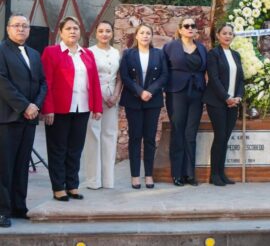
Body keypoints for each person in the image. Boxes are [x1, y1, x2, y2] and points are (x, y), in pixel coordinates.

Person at [41, 16, 103, 201]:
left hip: (82, 108)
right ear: (61, 31)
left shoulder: (87, 54)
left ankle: (72, 185)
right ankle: (58, 187)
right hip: (59, 109)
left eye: (75, 28)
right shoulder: (51, 52)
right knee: (58, 149)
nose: (73, 31)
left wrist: (97, 107)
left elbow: (94, 82)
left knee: (75, 149)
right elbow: (46, 82)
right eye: (68, 28)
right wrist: (48, 108)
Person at [0, 14, 47, 227]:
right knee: (4, 166)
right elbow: (2, 82)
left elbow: (42, 83)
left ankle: (19, 206)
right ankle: (2, 210)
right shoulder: (1, 50)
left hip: (29, 119)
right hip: (8, 118)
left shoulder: (34, 54)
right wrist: (24, 105)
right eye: (17, 25)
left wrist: (35, 105)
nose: (21, 29)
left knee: (21, 165)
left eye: (25, 26)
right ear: (8, 28)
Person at [119, 23, 168, 189]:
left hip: (152, 101)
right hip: (133, 100)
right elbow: (125, 76)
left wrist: (150, 91)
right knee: (135, 138)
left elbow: (164, 76)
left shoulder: (159, 54)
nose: (145, 35)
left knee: (149, 138)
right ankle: (134, 175)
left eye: (148, 33)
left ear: (151, 36)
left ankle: (148, 175)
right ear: (137, 36)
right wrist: (140, 92)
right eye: (142, 33)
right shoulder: (128, 54)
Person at [163, 18, 207, 187]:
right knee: (178, 132)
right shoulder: (170, 47)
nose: (190, 28)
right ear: (180, 30)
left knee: (191, 133)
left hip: (196, 93)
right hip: (176, 93)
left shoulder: (201, 49)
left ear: (196, 30)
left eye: (193, 26)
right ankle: (177, 174)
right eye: (186, 26)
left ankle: (190, 173)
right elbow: (164, 70)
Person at [202, 23, 244, 186]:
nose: (227, 36)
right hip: (217, 102)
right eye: (224, 33)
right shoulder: (213, 54)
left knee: (225, 138)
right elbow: (213, 78)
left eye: (230, 33)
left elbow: (241, 79)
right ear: (218, 36)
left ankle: (222, 173)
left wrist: (238, 96)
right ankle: (214, 175)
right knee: (219, 137)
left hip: (234, 103)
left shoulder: (236, 55)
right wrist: (227, 97)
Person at [83, 21, 123, 190]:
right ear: (96, 34)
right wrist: (98, 97)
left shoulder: (116, 53)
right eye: (101, 31)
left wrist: (115, 96)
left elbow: (120, 77)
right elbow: (86, 77)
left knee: (110, 135)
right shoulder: (88, 52)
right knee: (93, 136)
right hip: (94, 99)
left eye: (108, 31)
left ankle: (108, 180)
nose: (104, 34)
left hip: (112, 99)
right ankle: (93, 180)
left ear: (112, 34)